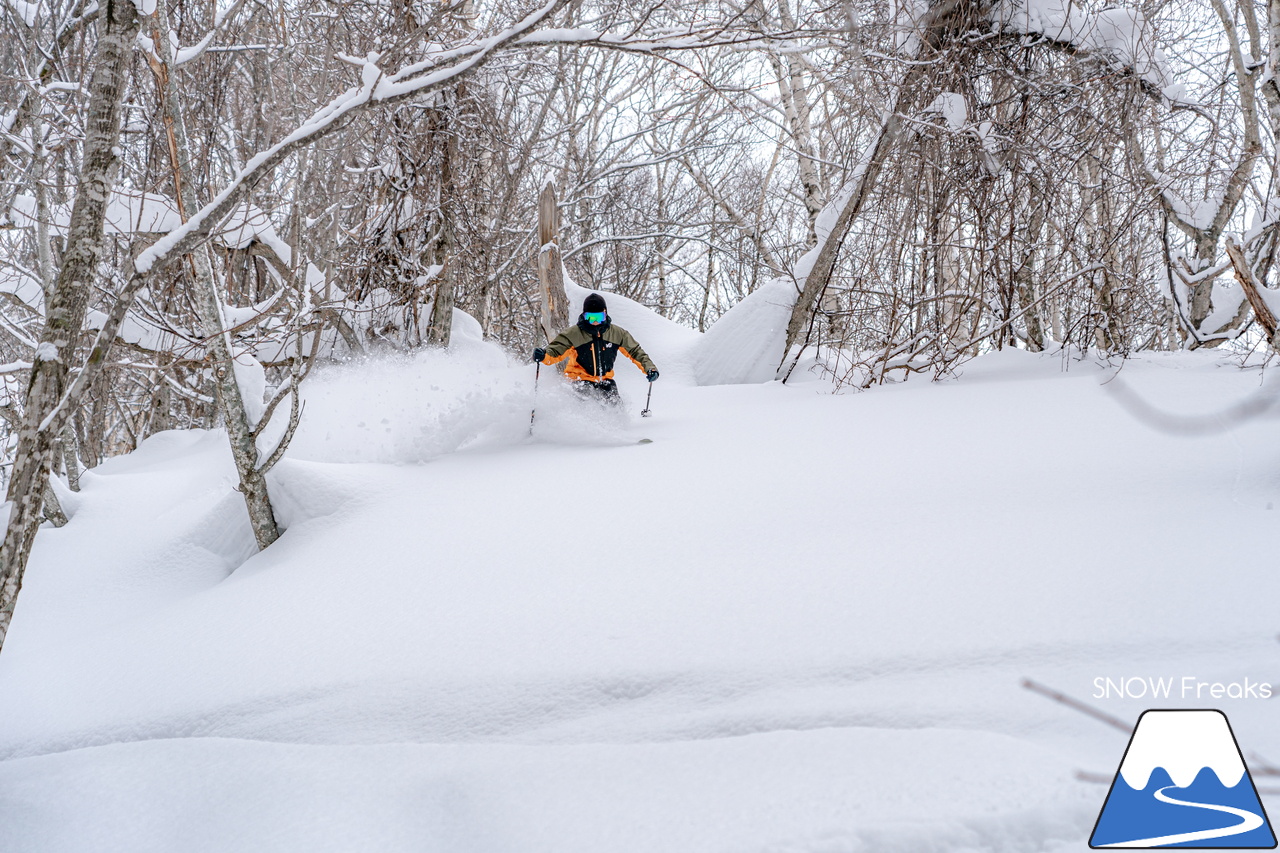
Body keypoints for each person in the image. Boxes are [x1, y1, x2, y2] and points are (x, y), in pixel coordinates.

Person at [532, 293, 658, 403]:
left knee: (614, 407)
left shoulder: (617, 333)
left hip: (605, 380)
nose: (595, 322)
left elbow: (635, 351)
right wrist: (544, 355)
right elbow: (555, 351)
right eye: (590, 318)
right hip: (579, 380)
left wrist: (650, 368)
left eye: (599, 317)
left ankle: (618, 429)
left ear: (605, 314)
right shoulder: (574, 334)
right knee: (586, 402)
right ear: (584, 316)